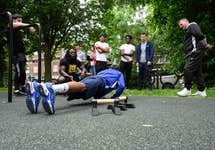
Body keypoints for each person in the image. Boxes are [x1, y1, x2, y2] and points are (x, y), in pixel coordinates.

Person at [25, 69, 125, 114]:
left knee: (75, 89)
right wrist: (114, 98)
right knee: (83, 86)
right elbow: (122, 86)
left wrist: (100, 97)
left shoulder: (106, 71)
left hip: (94, 79)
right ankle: (52, 88)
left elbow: (99, 91)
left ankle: (36, 88)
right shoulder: (119, 74)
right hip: (99, 81)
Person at [177, 18, 212, 97]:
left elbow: (200, 35)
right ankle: (201, 91)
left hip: (195, 53)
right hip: (195, 52)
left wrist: (205, 45)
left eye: (181, 24)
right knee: (198, 72)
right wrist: (205, 46)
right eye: (179, 26)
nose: (180, 27)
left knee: (187, 69)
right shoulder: (189, 29)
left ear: (186, 21)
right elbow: (196, 39)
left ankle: (187, 89)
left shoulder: (192, 25)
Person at [11, 14, 35, 95]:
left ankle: (23, 87)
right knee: (18, 71)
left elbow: (18, 40)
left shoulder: (19, 30)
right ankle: (16, 90)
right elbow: (19, 25)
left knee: (23, 72)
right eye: (19, 20)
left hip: (21, 53)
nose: (21, 22)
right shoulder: (11, 25)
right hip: (15, 53)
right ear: (13, 20)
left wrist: (24, 41)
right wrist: (30, 26)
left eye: (21, 20)